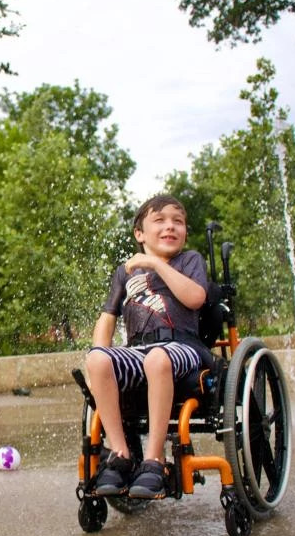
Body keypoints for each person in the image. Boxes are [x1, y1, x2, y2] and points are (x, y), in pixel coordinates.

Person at [84, 194, 208, 499]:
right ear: (140, 234)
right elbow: (107, 317)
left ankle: (154, 459)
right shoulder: (124, 272)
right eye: (161, 220)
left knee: (157, 358)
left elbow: (195, 298)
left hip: (182, 346)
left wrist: (154, 262)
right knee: (98, 360)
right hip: (138, 350)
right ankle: (121, 454)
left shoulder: (189, 260)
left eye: (177, 222)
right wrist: (101, 356)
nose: (170, 227)